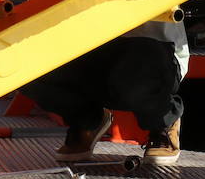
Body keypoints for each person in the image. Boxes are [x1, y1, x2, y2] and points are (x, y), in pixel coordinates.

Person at [21, 18, 188, 167]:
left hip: (151, 43)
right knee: (20, 64)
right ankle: (86, 120)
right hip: (87, 46)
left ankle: (163, 121)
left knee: (136, 68)